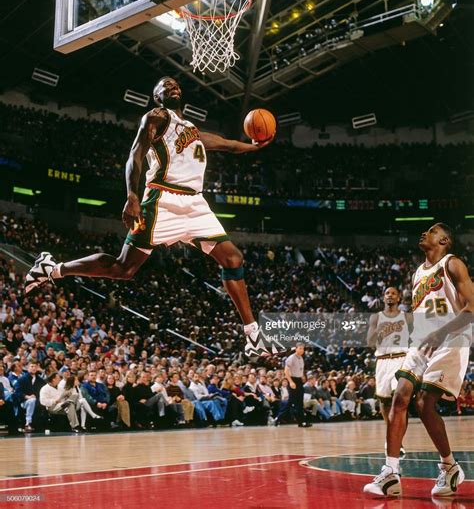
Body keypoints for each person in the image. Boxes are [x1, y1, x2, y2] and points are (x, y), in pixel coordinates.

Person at [24, 76, 281, 358]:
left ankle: (253, 336)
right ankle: (53, 268)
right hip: (163, 199)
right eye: (163, 85)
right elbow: (135, 155)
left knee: (233, 259)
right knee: (124, 269)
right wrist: (132, 196)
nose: (172, 86)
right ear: (157, 97)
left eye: (175, 84)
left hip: (195, 204)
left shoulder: (193, 131)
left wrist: (255, 146)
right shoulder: (157, 117)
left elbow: (229, 145)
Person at [364, 223, 473, 497]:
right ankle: (390, 474)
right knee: (400, 396)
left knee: (424, 404)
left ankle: (449, 466)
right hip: (422, 342)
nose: (425, 233)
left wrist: (440, 333)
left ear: (445, 240)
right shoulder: (417, 273)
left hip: (451, 340)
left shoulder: (453, 264)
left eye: (432, 231)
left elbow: (471, 307)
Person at [367, 287, 411, 455]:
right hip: (383, 361)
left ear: (399, 297)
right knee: (385, 403)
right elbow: (370, 342)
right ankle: (391, 436)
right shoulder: (375, 317)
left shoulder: (407, 317)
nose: (390, 295)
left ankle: (397, 441)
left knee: (399, 399)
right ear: (383, 298)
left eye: (393, 293)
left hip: (401, 359)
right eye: (387, 293)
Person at [275, 344, 310, 427]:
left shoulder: (301, 358)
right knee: (290, 402)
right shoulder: (291, 358)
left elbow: (300, 369)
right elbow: (286, 371)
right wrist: (290, 382)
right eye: (300, 348)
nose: (302, 350)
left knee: (300, 403)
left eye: (303, 349)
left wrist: (303, 376)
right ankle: (278, 418)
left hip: (299, 381)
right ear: (296, 349)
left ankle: (301, 422)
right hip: (292, 380)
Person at [16, 361, 45, 432]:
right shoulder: (22, 379)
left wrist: (36, 398)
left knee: (37, 401)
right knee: (32, 401)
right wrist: (27, 397)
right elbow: (17, 392)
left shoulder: (40, 380)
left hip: (38, 401)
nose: (34, 368)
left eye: (35, 366)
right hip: (24, 401)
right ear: (27, 368)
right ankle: (28, 423)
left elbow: (43, 392)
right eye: (32, 366)